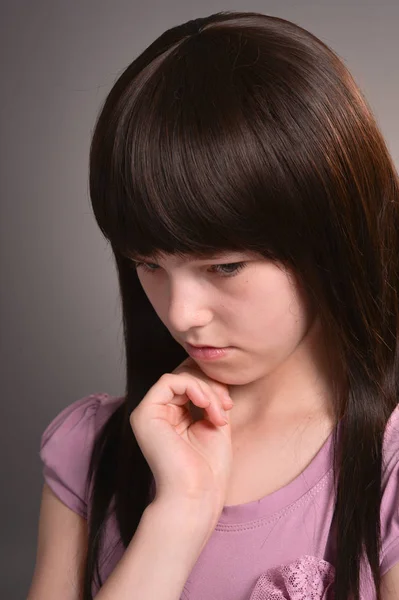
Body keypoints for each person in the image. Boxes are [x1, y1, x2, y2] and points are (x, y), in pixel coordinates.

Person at [27, 9, 399, 600]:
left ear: (331, 234)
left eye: (224, 267)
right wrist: (180, 514)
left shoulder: (386, 466)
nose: (180, 314)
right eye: (147, 264)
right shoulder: (93, 450)